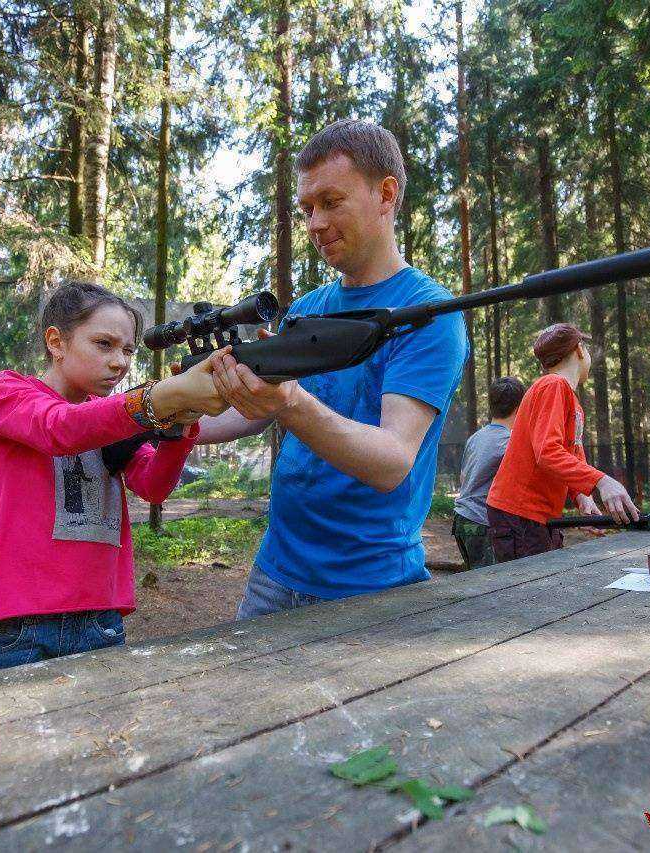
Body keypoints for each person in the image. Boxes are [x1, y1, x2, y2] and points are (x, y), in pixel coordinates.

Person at [197, 119, 468, 617]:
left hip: (371, 586)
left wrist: (292, 404)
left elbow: (391, 462)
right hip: (275, 573)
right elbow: (257, 409)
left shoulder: (429, 313)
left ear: (386, 195)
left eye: (331, 201)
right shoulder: (308, 307)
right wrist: (170, 421)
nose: (314, 223)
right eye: (306, 208)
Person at [0, 280, 229, 675]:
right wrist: (160, 398)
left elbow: (152, 485)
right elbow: (60, 428)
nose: (119, 362)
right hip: (19, 622)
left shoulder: (115, 416)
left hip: (101, 617)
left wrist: (178, 428)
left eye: (128, 350)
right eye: (104, 344)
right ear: (56, 342)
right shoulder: (7, 393)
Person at [485, 323, 639, 562]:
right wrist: (603, 481)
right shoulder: (552, 386)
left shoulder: (568, 397)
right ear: (579, 349)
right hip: (519, 512)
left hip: (537, 515)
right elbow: (547, 452)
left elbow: (572, 454)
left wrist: (582, 496)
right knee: (529, 591)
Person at [453, 377, 526, 570]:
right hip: (481, 522)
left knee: (475, 577)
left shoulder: (475, 438)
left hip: (461, 519)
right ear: (520, 408)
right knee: (489, 584)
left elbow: (464, 477)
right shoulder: (509, 442)